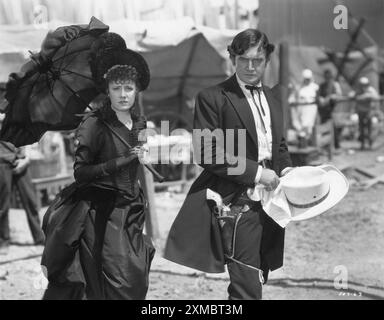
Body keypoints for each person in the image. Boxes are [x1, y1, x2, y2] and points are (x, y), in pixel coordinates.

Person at [164, 29, 292, 300]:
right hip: (236, 200)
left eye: (257, 60)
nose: (250, 66)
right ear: (232, 58)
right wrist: (257, 173)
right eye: (243, 59)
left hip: (273, 198)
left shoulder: (274, 97)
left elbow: (279, 146)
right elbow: (207, 152)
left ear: (267, 60)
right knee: (246, 281)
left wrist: (287, 171)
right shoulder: (212, 97)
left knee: (258, 272)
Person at [42, 33, 155, 300]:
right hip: (101, 212)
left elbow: (135, 163)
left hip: (132, 211)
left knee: (136, 278)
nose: (123, 95)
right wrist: (123, 160)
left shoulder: (140, 122)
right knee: (118, 284)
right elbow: (80, 174)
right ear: (107, 90)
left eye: (128, 88)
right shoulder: (93, 124)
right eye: (117, 88)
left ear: (137, 88)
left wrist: (140, 158)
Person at [0, 113, 45, 254]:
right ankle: (4, 241)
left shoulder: (18, 109)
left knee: (30, 200)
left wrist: (27, 159)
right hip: (2, 161)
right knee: (3, 204)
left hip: (22, 160)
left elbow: (30, 136)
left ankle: (40, 239)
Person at [349, 77, 380, 150]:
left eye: (365, 84)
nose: (363, 86)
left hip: (369, 112)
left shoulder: (370, 90)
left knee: (369, 129)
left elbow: (376, 96)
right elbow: (351, 95)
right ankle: (362, 145)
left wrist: (366, 96)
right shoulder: (358, 90)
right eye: (362, 84)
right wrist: (358, 96)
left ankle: (370, 145)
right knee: (361, 129)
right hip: (360, 112)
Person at [291, 69, 319, 146]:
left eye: (308, 78)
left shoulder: (315, 87)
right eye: (306, 78)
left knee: (308, 126)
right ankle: (302, 142)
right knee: (300, 127)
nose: (307, 80)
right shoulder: (298, 88)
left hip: (311, 110)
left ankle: (307, 141)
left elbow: (318, 99)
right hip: (301, 109)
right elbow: (292, 99)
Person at [317, 69, 343, 149]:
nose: (327, 78)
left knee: (335, 128)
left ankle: (336, 146)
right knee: (324, 128)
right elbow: (319, 95)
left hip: (333, 110)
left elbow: (338, 95)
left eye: (329, 76)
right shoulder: (322, 86)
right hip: (324, 111)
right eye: (326, 76)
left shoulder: (335, 85)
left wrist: (330, 97)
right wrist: (321, 99)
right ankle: (326, 146)